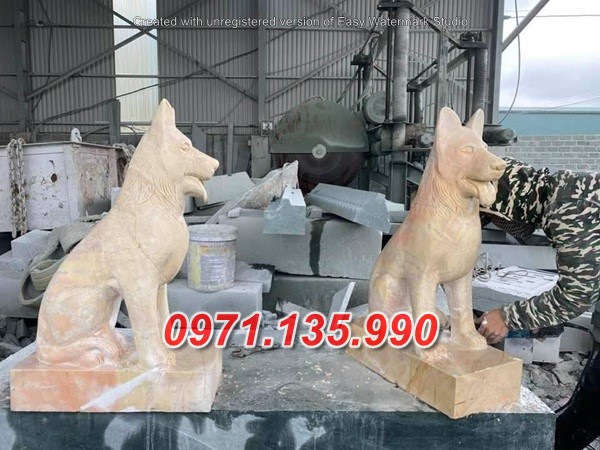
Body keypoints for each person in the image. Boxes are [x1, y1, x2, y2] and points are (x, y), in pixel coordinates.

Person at [475, 157, 599, 450]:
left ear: (510, 205)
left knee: (593, 399)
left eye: (495, 216)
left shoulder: (569, 208)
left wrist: (509, 317)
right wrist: (541, 316)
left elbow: (577, 294)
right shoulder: (567, 190)